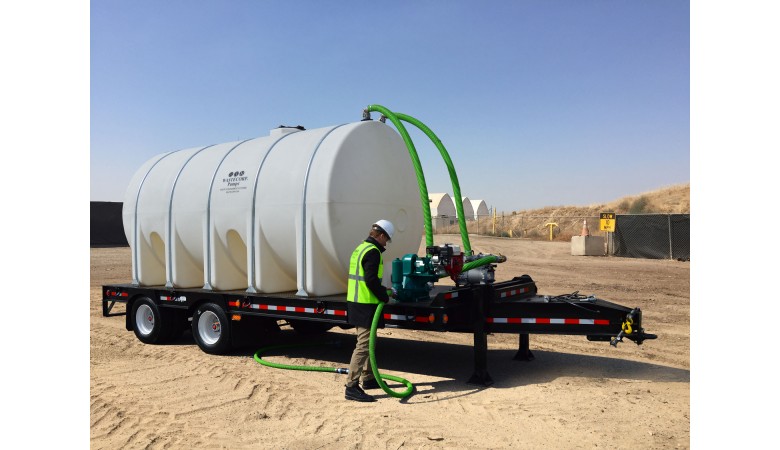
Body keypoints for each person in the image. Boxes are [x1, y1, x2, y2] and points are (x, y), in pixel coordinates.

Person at [344, 219, 396, 402]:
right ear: (381, 235)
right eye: (386, 239)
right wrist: (384, 295)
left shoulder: (361, 248)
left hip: (357, 301)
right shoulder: (373, 252)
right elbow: (371, 281)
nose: (386, 243)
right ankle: (351, 386)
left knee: (369, 342)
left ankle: (369, 378)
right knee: (364, 345)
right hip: (365, 303)